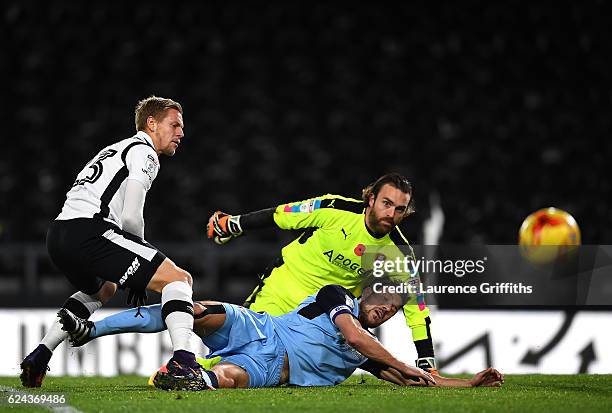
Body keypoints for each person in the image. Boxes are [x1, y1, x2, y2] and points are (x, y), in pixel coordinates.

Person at [20, 96, 205, 390]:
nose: (181, 132)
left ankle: (40, 355)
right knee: (178, 278)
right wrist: (140, 273)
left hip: (58, 235)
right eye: (175, 125)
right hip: (90, 232)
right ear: (152, 123)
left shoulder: (113, 149)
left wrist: (133, 270)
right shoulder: (145, 153)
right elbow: (131, 217)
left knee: (103, 288)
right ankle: (184, 359)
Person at [58, 279, 504, 390]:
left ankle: (188, 378)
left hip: (272, 366)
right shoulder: (338, 299)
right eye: (384, 297)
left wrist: (467, 383)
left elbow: (409, 378)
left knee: (226, 379)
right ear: (368, 291)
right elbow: (352, 337)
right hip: (258, 327)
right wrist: (401, 361)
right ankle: (89, 329)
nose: (387, 307)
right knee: (194, 310)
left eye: (394, 308)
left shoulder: (368, 356)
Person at [206, 173, 438, 373]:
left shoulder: (398, 253)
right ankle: (193, 369)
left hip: (322, 315)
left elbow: (416, 309)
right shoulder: (335, 209)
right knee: (240, 342)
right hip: (281, 290)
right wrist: (234, 224)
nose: (391, 213)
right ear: (371, 198)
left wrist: (427, 362)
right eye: (386, 203)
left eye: (399, 209)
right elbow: (283, 215)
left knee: (275, 364)